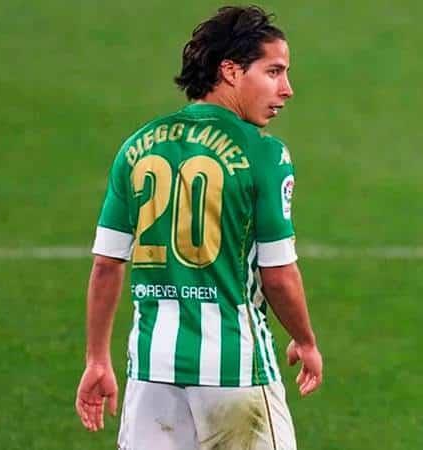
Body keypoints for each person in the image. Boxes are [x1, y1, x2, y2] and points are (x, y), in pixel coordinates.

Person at [75, 5, 322, 450]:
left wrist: (96, 358)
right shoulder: (265, 155)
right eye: (273, 72)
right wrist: (305, 340)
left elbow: (106, 264)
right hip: (235, 371)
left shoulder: (137, 147)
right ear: (231, 71)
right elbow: (278, 275)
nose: (286, 89)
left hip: (150, 372)